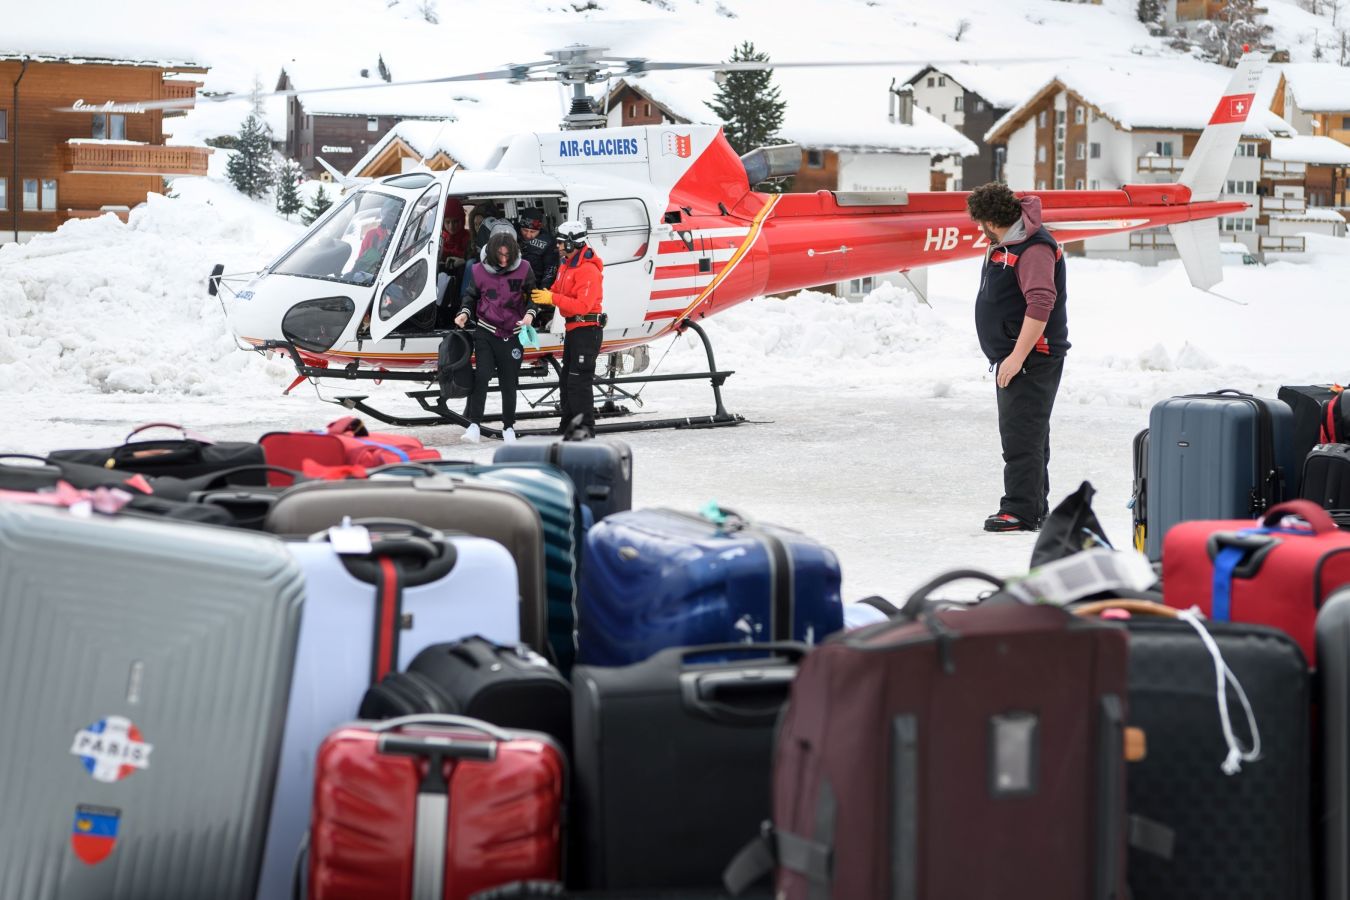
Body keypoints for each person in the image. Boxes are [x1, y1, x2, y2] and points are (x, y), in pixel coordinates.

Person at [966, 182, 1070, 533]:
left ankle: (1020, 511)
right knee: (1030, 432)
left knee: (1021, 434)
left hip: (1031, 356)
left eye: (980, 222)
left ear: (990, 220)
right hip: (1018, 354)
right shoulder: (1008, 243)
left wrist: (1015, 357)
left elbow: (1041, 303)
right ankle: (1034, 507)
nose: (979, 229)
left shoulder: (1033, 247)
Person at [454, 229, 539, 443]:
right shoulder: (477, 270)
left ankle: (508, 427)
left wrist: (530, 314)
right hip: (486, 332)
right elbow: (470, 296)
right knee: (482, 375)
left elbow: (534, 297)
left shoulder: (524, 268)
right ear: (491, 253)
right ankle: (474, 425)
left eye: (507, 255)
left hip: (513, 333)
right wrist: (464, 313)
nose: (503, 260)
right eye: (499, 255)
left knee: (509, 382)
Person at [531, 220, 603, 435]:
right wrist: (538, 297)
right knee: (567, 380)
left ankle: (585, 427)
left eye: (562, 243)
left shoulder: (587, 269)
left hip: (586, 330)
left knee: (579, 381)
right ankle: (568, 425)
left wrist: (552, 298)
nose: (558, 246)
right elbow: (556, 290)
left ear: (573, 244)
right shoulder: (566, 265)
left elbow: (582, 305)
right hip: (573, 330)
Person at [516, 208, 560, 288]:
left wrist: (543, 290)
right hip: (514, 285)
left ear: (539, 229)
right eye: (525, 230)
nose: (528, 235)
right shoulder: (512, 235)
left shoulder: (548, 241)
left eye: (532, 232)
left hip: (536, 286)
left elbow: (550, 269)